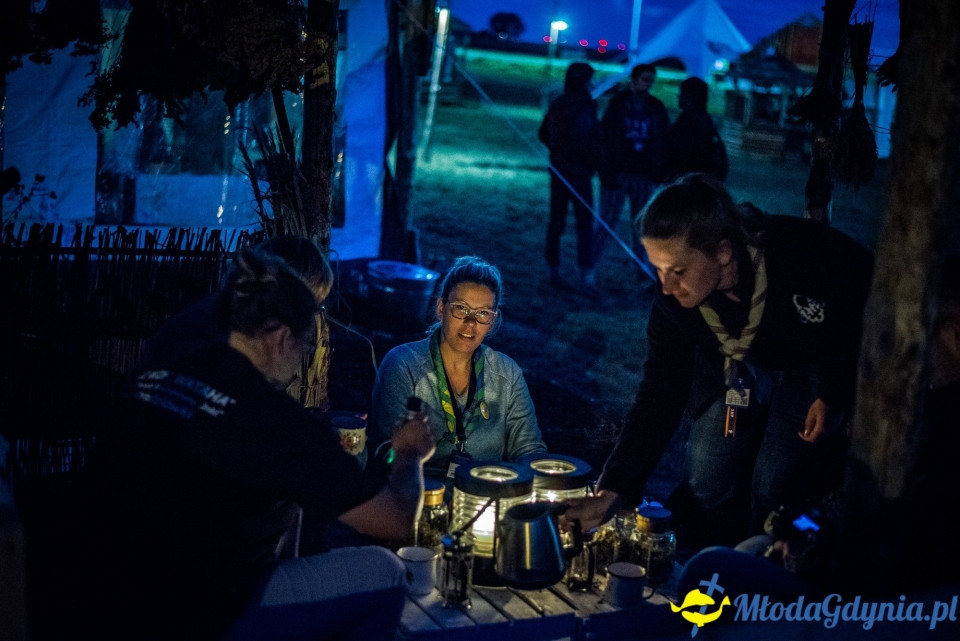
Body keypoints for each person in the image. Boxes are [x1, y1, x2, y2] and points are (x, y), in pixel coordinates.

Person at [83, 247, 435, 641]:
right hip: (190, 613)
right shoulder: (273, 421)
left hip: (97, 583)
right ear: (281, 337)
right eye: (305, 347)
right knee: (384, 572)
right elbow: (395, 517)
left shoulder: (168, 366)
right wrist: (410, 453)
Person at [563, 173, 873, 551]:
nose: (665, 286)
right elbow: (660, 393)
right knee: (707, 472)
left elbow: (862, 311)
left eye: (677, 270)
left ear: (723, 253)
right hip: (733, 369)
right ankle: (708, 555)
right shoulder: (676, 305)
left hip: (812, 363)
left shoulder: (801, 256)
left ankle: (768, 557)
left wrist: (834, 393)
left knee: (774, 478)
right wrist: (615, 489)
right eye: (658, 270)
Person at [370, 255, 547, 483]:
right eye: (461, 309)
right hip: (418, 496)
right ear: (440, 308)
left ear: (493, 321)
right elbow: (387, 451)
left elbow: (529, 450)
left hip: (486, 498)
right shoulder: (403, 365)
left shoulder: (506, 374)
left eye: (483, 313)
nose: (471, 323)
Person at [594, 63, 670, 268]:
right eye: (645, 79)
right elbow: (605, 137)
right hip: (618, 172)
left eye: (651, 81)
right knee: (607, 220)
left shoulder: (655, 107)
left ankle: (641, 268)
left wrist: (658, 169)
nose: (648, 84)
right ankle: (589, 265)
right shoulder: (618, 105)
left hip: (644, 174)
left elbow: (662, 138)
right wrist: (606, 169)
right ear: (634, 80)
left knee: (642, 223)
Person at [538, 62, 601, 292]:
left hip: (559, 170)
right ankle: (586, 277)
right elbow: (582, 139)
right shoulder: (585, 106)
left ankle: (553, 270)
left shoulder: (558, 103)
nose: (593, 84)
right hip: (578, 172)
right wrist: (594, 159)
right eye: (591, 79)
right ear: (583, 80)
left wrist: (557, 153)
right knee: (585, 224)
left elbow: (543, 133)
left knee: (557, 221)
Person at [663, 77, 728, 183]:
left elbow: (677, 153)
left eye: (681, 93)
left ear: (689, 97)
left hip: (686, 181)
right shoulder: (706, 121)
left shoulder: (688, 121)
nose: (678, 97)